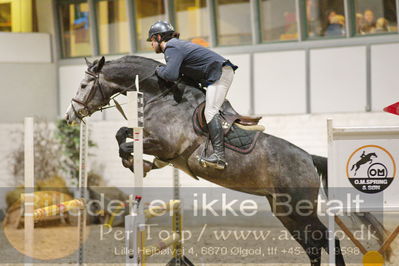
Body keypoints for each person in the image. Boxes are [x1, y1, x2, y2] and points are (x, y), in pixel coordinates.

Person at [147, 20, 238, 170]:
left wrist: (157, 70)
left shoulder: (171, 47)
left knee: (210, 111)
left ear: (158, 37)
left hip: (220, 73)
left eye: (151, 39)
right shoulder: (176, 46)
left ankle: (219, 157)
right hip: (218, 73)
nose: (151, 44)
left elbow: (170, 74)